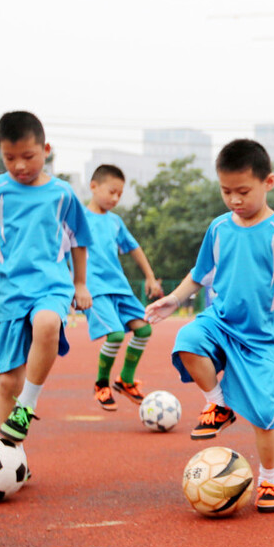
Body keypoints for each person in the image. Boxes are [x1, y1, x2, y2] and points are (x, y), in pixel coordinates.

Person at [145, 139, 274, 514]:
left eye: (243, 191)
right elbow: (200, 275)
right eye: (226, 191)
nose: (234, 200)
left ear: (268, 182)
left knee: (264, 416)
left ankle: (270, 479)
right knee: (187, 340)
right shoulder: (219, 228)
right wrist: (173, 300)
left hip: (260, 339)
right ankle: (218, 404)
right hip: (219, 322)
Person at [0, 111, 93, 445]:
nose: (19, 166)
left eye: (28, 157)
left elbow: (79, 241)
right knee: (8, 381)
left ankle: (28, 405)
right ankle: (13, 454)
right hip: (9, 292)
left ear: (45, 149)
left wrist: (80, 283)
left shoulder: (63, 194)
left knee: (48, 323)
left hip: (51, 285)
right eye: (9, 158)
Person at [83, 164, 164, 411]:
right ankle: (101, 384)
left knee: (143, 330)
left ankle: (126, 380)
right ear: (94, 187)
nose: (116, 198)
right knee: (116, 334)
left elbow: (134, 248)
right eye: (112, 192)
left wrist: (150, 276)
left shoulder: (115, 222)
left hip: (120, 287)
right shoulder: (79, 219)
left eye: (120, 194)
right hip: (94, 288)